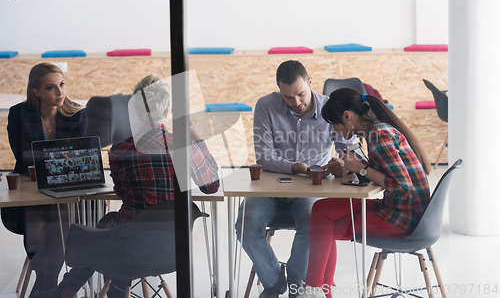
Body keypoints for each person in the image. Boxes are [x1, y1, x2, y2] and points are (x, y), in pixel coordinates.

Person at [33, 73, 220, 298]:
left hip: (127, 246)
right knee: (109, 224)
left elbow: (121, 192)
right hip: (171, 248)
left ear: (135, 110)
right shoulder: (185, 147)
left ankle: (78, 289)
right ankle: (94, 289)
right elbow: (211, 187)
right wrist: (197, 137)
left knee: (107, 224)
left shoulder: (120, 150)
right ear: (168, 110)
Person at [295, 88, 431, 298]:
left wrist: (361, 169)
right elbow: (389, 172)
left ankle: (315, 290)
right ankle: (320, 290)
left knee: (323, 222)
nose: (335, 130)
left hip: (403, 218)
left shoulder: (379, 134)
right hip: (399, 209)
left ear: (347, 116)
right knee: (321, 210)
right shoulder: (377, 130)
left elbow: (403, 186)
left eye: (335, 124)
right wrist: (356, 165)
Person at [235, 60, 355, 298]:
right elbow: (264, 155)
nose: (297, 102)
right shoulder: (265, 106)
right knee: (245, 226)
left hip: (311, 189)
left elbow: (349, 150)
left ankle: (296, 281)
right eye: (288, 97)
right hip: (269, 186)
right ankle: (274, 281)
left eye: (301, 94)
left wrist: (344, 163)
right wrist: (294, 167)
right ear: (279, 89)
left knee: (314, 223)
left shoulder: (329, 109)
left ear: (310, 82)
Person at [1, 63, 87, 295]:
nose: (60, 92)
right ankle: (47, 284)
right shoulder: (19, 113)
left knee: (57, 214)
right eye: (51, 87)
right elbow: (22, 155)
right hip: (31, 188)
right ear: (36, 91)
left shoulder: (77, 114)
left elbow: (76, 159)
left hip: (63, 189)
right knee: (38, 217)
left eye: (61, 84)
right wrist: (57, 161)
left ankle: (45, 287)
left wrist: (50, 162)